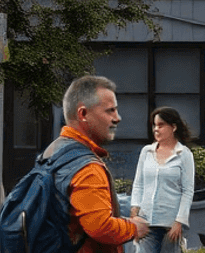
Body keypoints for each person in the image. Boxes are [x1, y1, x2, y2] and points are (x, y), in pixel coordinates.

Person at [59, 75, 150, 253]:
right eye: (110, 111)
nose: (118, 118)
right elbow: (99, 226)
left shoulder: (55, 153)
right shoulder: (87, 168)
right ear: (83, 114)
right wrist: (134, 227)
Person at [129, 107, 196, 253]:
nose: (156, 129)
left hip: (170, 225)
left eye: (160, 125)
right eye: (154, 125)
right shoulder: (146, 152)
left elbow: (187, 191)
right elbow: (138, 184)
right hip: (145, 223)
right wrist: (135, 213)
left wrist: (179, 222)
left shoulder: (184, 155)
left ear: (173, 127)